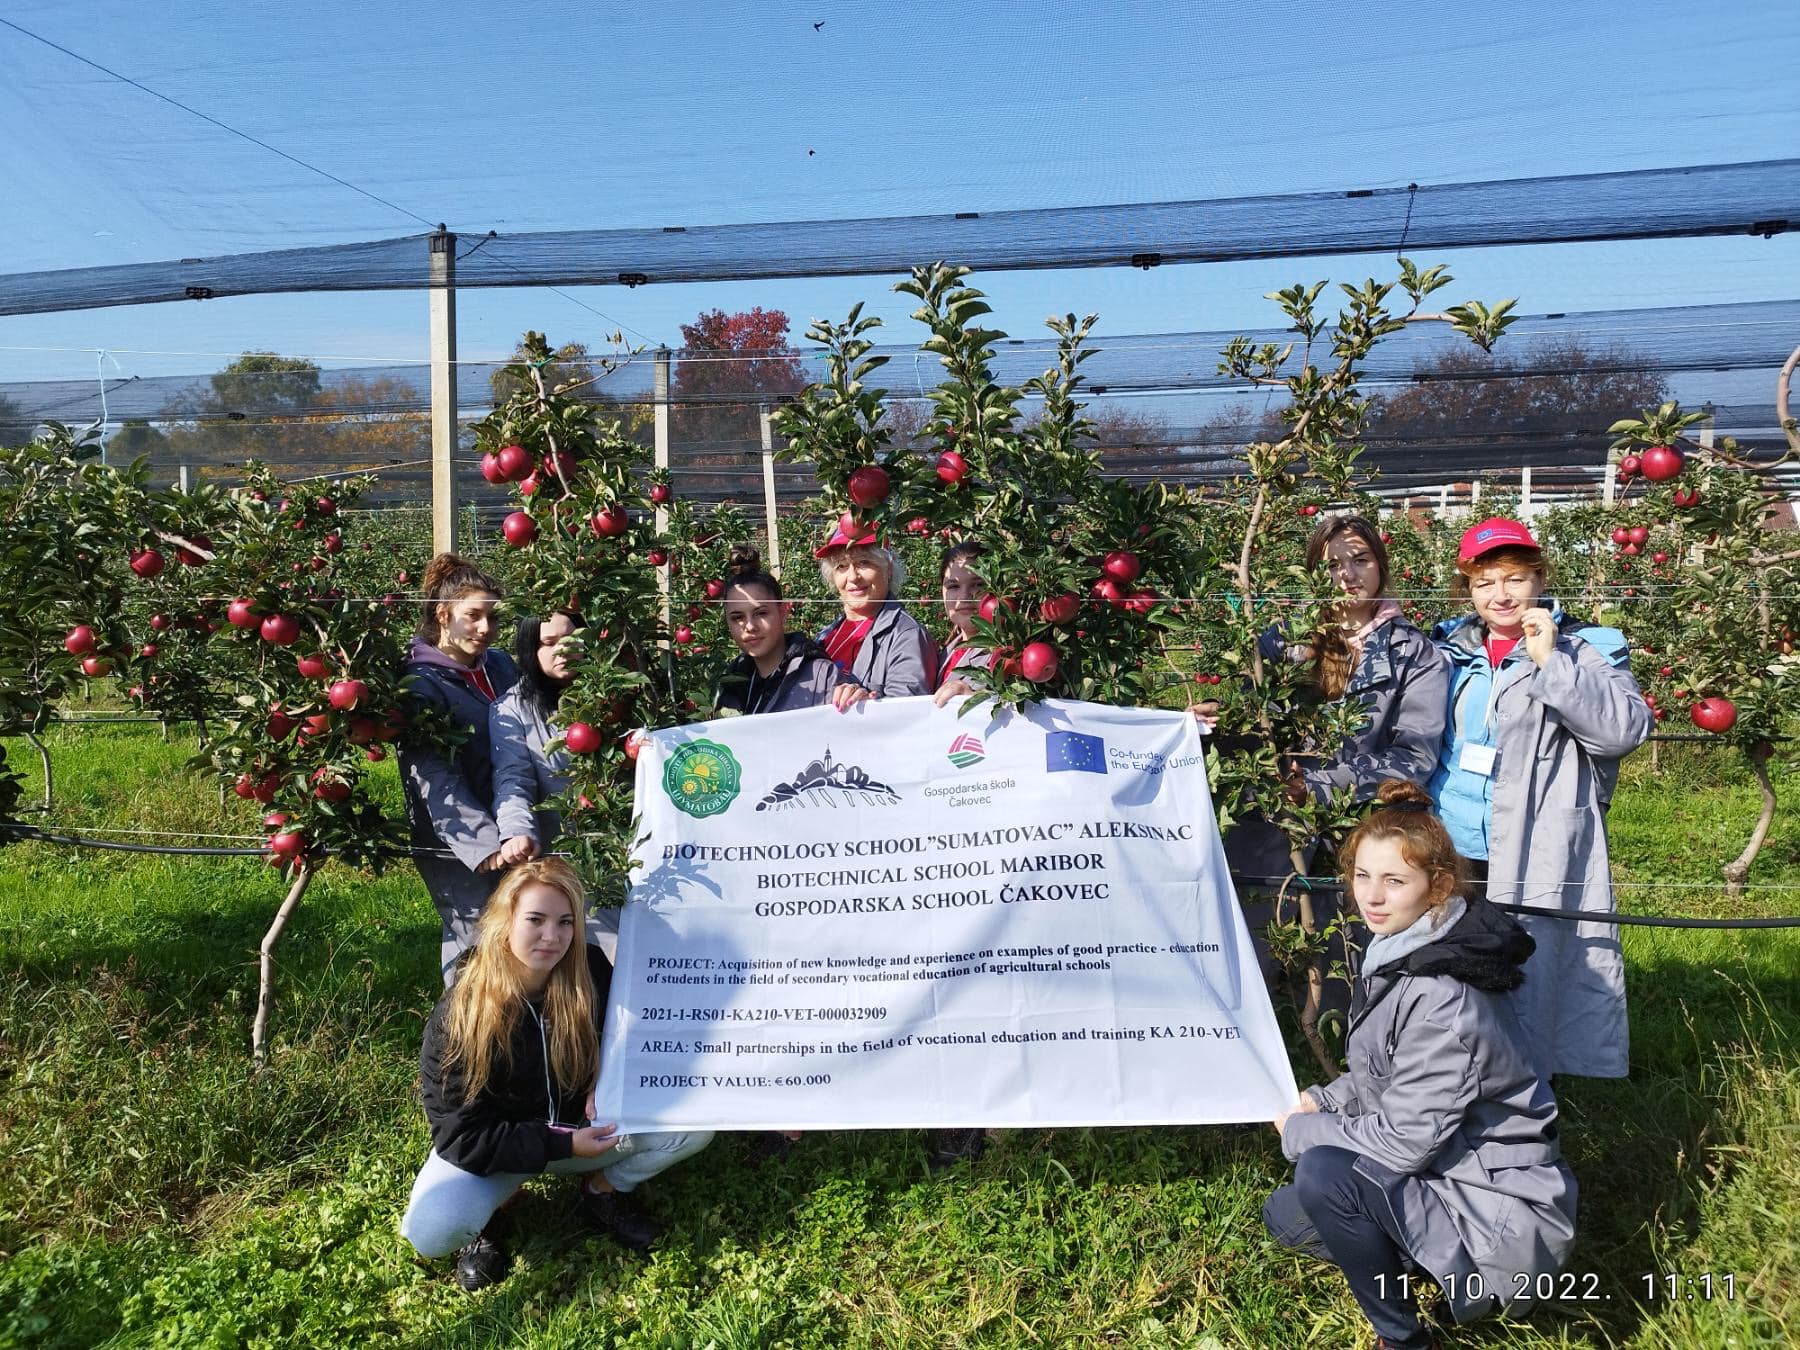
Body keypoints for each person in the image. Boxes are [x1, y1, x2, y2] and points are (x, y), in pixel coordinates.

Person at [1265, 781, 1577, 1350]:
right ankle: (1412, 1263)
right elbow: (1388, 1073)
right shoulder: (1407, 951)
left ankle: (1405, 1338)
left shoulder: (1441, 995)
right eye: (1362, 876)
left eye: (1394, 881)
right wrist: (1327, 1100)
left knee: (1324, 1175)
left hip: (1497, 1209)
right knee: (1286, 1217)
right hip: (1449, 1168)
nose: (1373, 897)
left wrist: (1304, 1131)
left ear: (1437, 886)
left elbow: (1404, 1142)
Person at [400, 858, 713, 1290]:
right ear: (504, 920)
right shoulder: (462, 1012)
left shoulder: (589, 970)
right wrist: (562, 1143)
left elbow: (623, 1038)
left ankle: (601, 1190)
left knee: (692, 1128)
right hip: (501, 1152)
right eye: (536, 919)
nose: (552, 936)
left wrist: (602, 1076)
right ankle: (492, 1215)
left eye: (565, 922)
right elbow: (461, 1137)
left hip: (585, 1132)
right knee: (431, 1232)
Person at [1428, 517, 1649, 1080]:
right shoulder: (1446, 648)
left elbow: (1622, 731)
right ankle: (1449, 1084)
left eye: (1514, 578)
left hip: (1534, 837)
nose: (1500, 594)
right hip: (1451, 835)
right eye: (1484, 582)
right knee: (1449, 966)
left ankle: (1525, 1096)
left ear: (1539, 577)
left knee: (1526, 968)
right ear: (1467, 588)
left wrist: (1553, 660)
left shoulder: (1587, 646)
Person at [1200, 516, 1449, 991]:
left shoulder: (1414, 654)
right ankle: (1269, 1032)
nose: (1348, 575)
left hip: (1360, 820)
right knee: (1257, 925)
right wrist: (1216, 717)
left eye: (1361, 560)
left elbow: (1413, 757)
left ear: (1381, 564)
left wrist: (1317, 786)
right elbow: (1256, 710)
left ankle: (1337, 1043)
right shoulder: (1283, 641)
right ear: (1316, 572)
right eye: (1334, 564)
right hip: (1273, 811)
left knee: (1345, 946)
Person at [399, 554, 522, 983]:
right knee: (473, 942)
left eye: (492, 617)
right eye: (473, 616)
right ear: (443, 613)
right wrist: (482, 842)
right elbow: (432, 772)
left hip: (515, 829)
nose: (485, 628)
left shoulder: (501, 666)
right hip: (458, 839)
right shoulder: (421, 682)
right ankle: (457, 1042)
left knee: (516, 943)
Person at [489, 608, 621, 955]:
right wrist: (517, 831)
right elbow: (512, 777)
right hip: (563, 854)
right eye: (548, 642)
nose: (561, 650)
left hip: (625, 849)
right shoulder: (512, 709)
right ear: (531, 649)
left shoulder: (617, 697)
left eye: (572, 639)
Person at [716, 546, 872, 715]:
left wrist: (859, 703)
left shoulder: (821, 677)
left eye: (761, 613)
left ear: (783, 612)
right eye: (737, 617)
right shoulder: (730, 683)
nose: (750, 626)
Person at [813, 519, 938, 698]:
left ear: (889, 569)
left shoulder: (906, 636)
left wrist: (866, 704)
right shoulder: (826, 635)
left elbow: (907, 715)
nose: (853, 577)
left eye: (864, 562)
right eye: (841, 566)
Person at [932, 541, 989, 707]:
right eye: (953, 586)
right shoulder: (944, 654)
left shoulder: (1008, 655)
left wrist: (973, 697)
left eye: (978, 585)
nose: (964, 596)